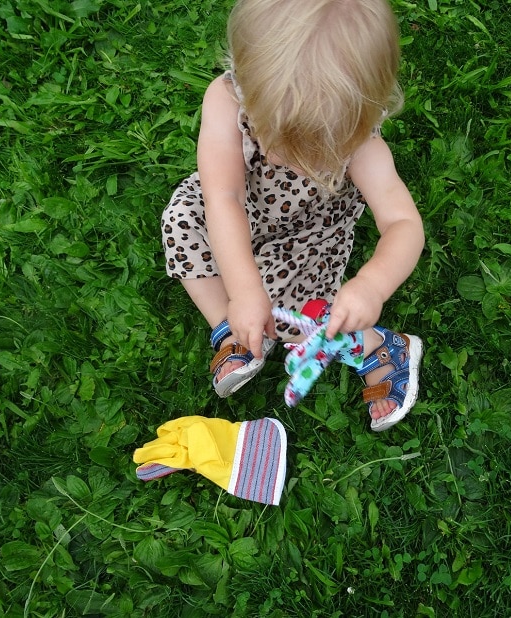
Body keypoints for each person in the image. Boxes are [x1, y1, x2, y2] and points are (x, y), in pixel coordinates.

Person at [160, 0, 424, 431]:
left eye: (320, 148)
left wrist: (372, 287)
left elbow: (404, 224)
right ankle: (231, 330)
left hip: (309, 233)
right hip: (241, 206)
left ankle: (380, 346)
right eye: (280, 140)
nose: (291, 160)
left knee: (301, 321)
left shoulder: (361, 140)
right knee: (183, 220)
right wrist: (244, 291)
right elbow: (222, 196)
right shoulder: (226, 100)